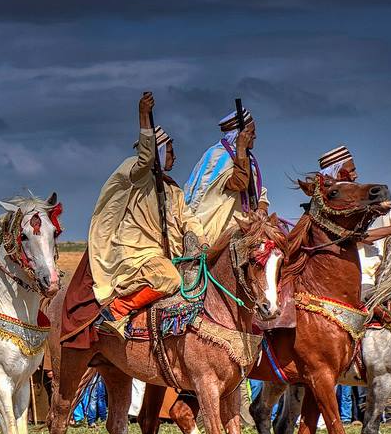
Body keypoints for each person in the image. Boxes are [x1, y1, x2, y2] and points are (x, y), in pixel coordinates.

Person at [60, 93, 206, 339]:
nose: (175, 156)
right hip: (136, 254)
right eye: (169, 151)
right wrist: (143, 117)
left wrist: (200, 241)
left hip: (162, 255)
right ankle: (116, 313)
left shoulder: (172, 188)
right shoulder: (135, 175)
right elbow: (145, 158)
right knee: (169, 278)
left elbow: (187, 218)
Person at [317, 146, 391, 297]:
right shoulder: (331, 206)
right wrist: (390, 230)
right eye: (351, 170)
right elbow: (349, 237)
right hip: (357, 278)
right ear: (338, 173)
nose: (356, 175)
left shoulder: (360, 201)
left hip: (379, 275)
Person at [184, 107, 269, 246]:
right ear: (240, 135)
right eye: (251, 132)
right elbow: (239, 183)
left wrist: (262, 208)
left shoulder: (248, 159)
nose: (255, 136)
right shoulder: (217, 156)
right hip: (219, 232)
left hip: (246, 228)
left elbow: (258, 190)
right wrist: (241, 149)